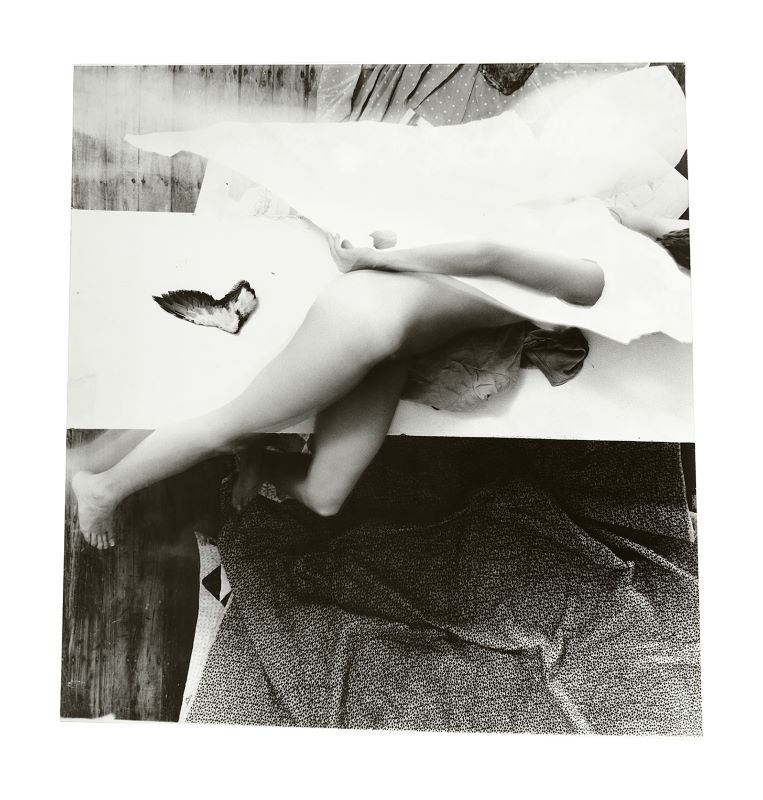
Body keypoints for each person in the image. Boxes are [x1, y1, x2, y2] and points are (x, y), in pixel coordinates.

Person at [71, 231, 607, 548]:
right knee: (224, 424)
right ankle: (105, 487)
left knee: (326, 497)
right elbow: (488, 254)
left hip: (392, 349)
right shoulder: (602, 275)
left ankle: (260, 459)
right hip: (365, 322)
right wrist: (375, 259)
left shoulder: (606, 260)